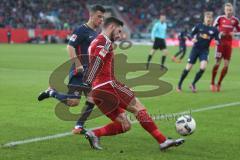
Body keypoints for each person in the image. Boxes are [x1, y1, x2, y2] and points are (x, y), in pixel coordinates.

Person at [82, 17, 184, 150]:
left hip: (97, 91)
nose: (119, 36)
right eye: (118, 31)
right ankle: (162, 141)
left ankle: (94, 134)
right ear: (111, 27)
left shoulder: (96, 41)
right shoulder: (104, 42)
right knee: (138, 108)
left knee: (125, 124)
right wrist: (87, 81)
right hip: (107, 85)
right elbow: (97, 62)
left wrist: (89, 85)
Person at [37, 5, 105, 134]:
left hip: (89, 73)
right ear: (91, 16)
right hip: (79, 72)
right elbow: (70, 47)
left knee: (92, 99)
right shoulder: (81, 30)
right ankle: (51, 92)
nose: (101, 20)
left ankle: (79, 126)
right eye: (99, 17)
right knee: (73, 102)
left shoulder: (95, 33)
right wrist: (77, 64)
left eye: (102, 17)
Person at [177, 12, 220, 93]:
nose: (208, 19)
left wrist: (217, 42)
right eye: (207, 18)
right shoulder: (199, 26)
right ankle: (179, 84)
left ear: (212, 19)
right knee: (188, 68)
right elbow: (190, 34)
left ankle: (193, 84)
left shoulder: (214, 30)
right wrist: (191, 39)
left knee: (203, 67)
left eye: (210, 18)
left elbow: (218, 39)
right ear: (204, 18)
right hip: (195, 49)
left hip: (204, 51)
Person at [210, 3, 240, 92]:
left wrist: (234, 34)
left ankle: (219, 83)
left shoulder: (235, 20)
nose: (228, 12)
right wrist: (219, 34)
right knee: (217, 63)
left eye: (230, 10)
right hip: (220, 44)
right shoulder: (220, 18)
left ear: (232, 11)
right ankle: (212, 83)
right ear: (224, 10)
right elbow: (212, 30)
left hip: (228, 45)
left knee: (226, 65)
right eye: (227, 10)